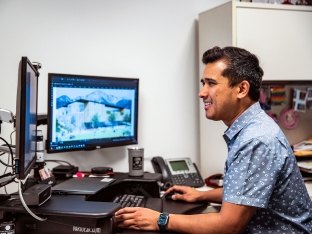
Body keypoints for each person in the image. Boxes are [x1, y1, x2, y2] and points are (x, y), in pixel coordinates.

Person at [114, 46, 312, 233]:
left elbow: (229, 226)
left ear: (242, 89)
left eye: (211, 83)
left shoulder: (256, 139)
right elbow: (245, 191)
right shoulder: (253, 128)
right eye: (203, 84)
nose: (202, 93)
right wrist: (201, 194)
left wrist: (160, 220)